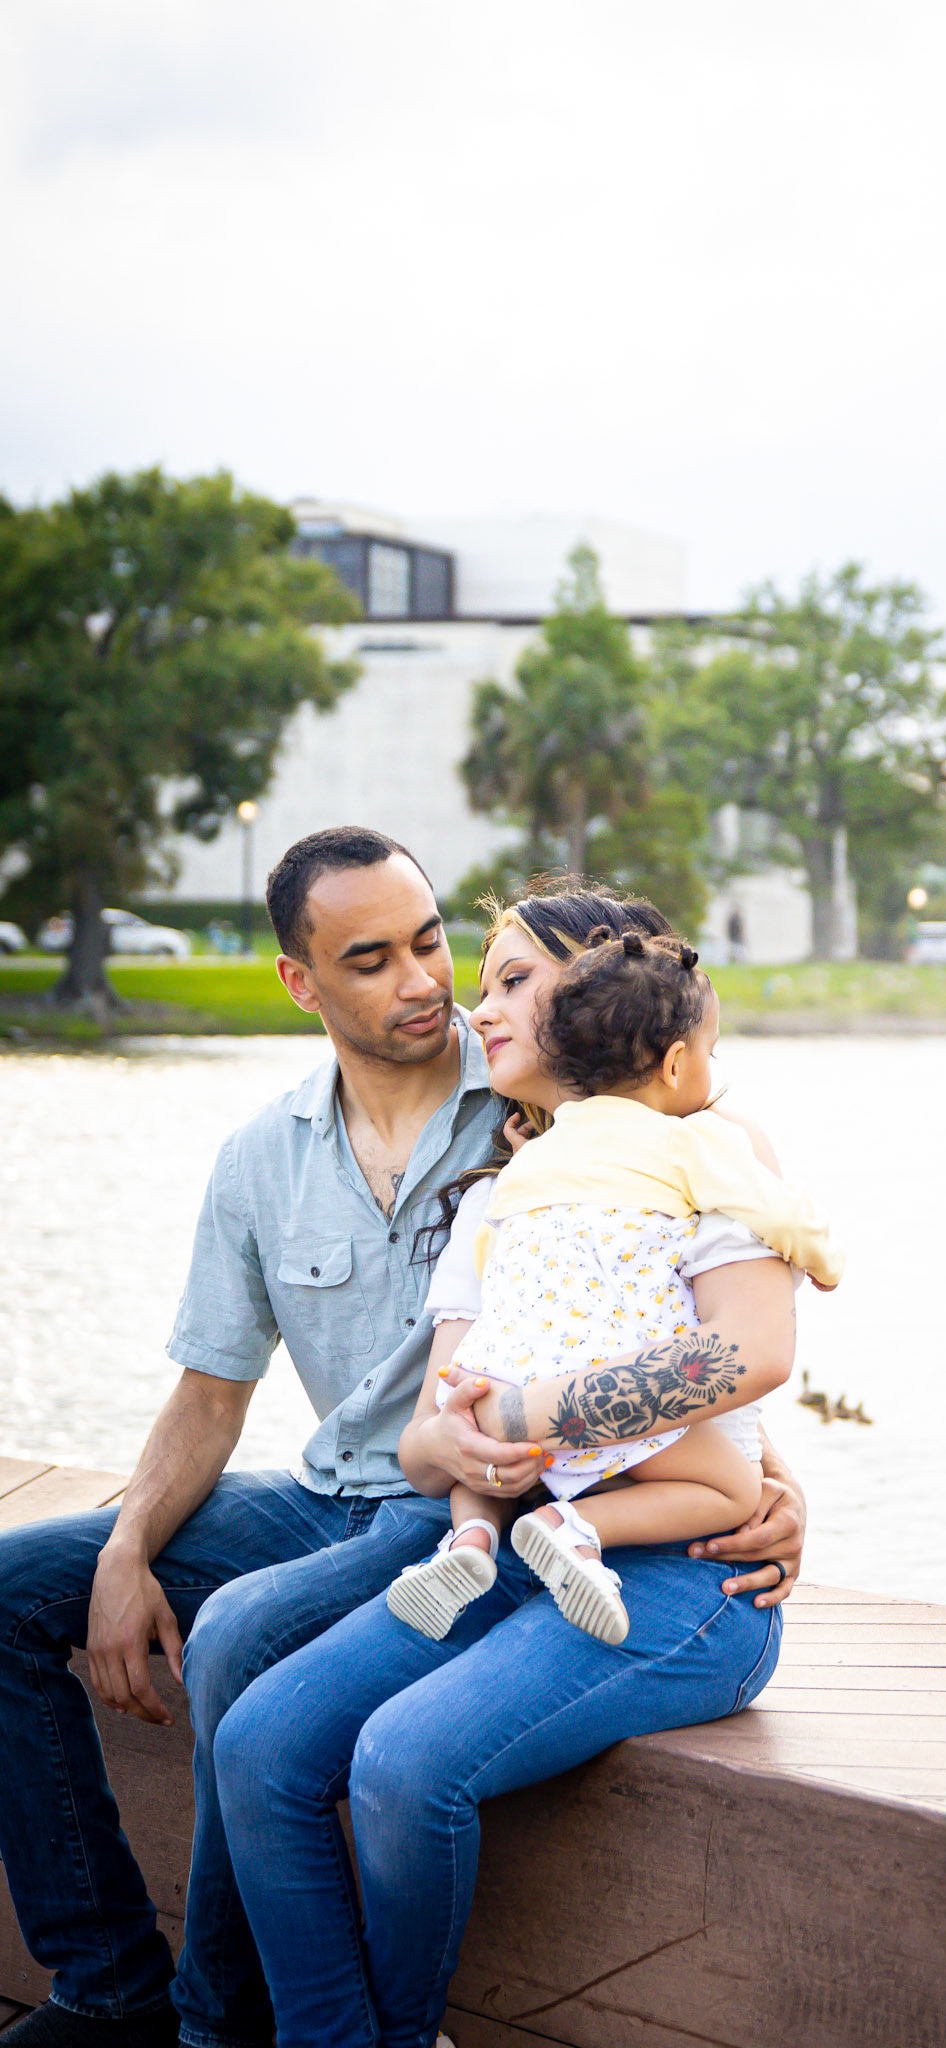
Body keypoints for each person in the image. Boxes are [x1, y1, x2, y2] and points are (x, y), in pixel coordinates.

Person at [0, 839, 810, 2048]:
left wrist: (763, 1478)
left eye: (456, 954)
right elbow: (264, 1399)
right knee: (122, 1649)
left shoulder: (658, 1126)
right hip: (443, 1511)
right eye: (386, 959)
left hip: (582, 1538)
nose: (447, 992)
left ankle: (220, 2021)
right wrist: (129, 1543)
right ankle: (123, 1989)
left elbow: (742, 1348)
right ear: (301, 980)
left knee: (312, 1694)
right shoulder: (431, 1170)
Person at [388, 926, 842, 1646]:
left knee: (483, 1465)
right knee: (734, 1488)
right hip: (604, 1376)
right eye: (710, 1055)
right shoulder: (688, 1144)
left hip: (497, 1374)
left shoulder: (525, 1166)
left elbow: (497, 1251)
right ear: (674, 1063)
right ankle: (570, 1527)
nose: (484, 1012)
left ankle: (469, 1540)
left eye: (513, 981)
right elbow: (776, 1211)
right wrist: (822, 1260)